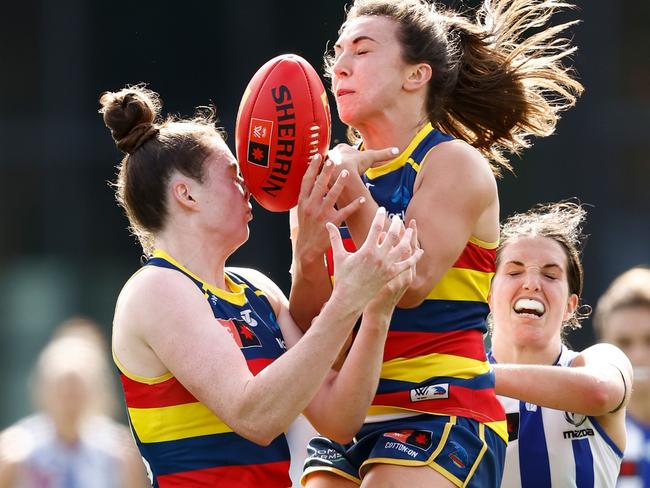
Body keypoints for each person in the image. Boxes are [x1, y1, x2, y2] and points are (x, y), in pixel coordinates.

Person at [289, 0, 583, 486]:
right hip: (351, 415)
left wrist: (350, 188)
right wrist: (305, 254)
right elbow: (309, 324)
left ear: (415, 75)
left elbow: (411, 283)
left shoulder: (452, 162)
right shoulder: (333, 174)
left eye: (361, 51)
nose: (339, 66)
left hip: (443, 408)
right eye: (337, 52)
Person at [98, 85, 422, 487]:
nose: (249, 185)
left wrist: (377, 307)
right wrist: (347, 299)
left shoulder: (256, 288)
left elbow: (339, 419)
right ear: (187, 194)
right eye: (235, 176)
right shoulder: (156, 289)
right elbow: (254, 415)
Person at [487, 201, 632, 487]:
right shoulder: (456, 384)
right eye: (514, 272)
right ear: (488, 295)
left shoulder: (596, 361)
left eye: (550, 275)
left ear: (570, 306)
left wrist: (469, 376)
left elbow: (600, 392)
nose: (531, 283)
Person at [0, 317, 149, 488]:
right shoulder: (16, 451)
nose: (69, 402)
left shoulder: (119, 454)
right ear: (43, 390)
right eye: (61, 389)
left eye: (77, 391)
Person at [594, 267, 650, 487]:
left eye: (649, 340)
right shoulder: (584, 434)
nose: (638, 355)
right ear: (602, 348)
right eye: (624, 343)